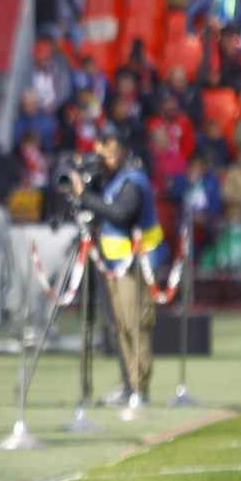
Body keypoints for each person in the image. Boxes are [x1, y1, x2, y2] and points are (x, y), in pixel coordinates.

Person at [69, 129, 167, 413]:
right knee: (122, 326)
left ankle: (139, 387)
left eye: (109, 149)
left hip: (136, 264)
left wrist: (85, 195)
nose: (105, 157)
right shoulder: (113, 180)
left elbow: (122, 214)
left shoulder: (132, 179)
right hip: (116, 264)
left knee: (136, 324)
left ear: (122, 150)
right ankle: (128, 383)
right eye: (101, 150)